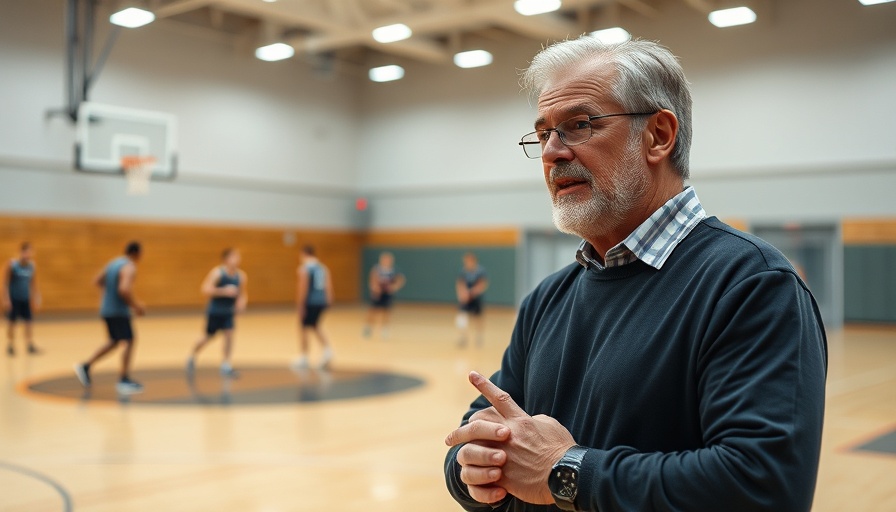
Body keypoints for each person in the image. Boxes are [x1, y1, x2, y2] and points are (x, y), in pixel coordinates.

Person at [444, 38, 827, 512]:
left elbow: (763, 486)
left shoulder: (752, 284)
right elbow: (489, 426)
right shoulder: (547, 298)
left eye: (579, 125)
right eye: (542, 134)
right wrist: (470, 467)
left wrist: (566, 471)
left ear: (659, 135)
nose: (552, 153)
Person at [75, 241, 146, 395]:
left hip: (107, 309)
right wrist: (136, 306)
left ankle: (86, 366)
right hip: (118, 311)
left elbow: (97, 281)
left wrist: (108, 296)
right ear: (136, 253)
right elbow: (124, 289)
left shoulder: (113, 263)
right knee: (129, 340)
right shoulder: (129, 266)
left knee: (114, 341)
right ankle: (123, 379)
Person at [186, 248, 247, 378]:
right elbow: (205, 289)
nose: (237, 259)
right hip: (215, 311)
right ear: (226, 259)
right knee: (207, 337)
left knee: (229, 335)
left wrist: (241, 303)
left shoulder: (241, 276)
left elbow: (242, 294)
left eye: (238, 257)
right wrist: (224, 291)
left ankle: (226, 364)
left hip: (228, 312)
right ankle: (192, 355)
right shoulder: (217, 273)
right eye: (234, 256)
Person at [292, 245, 334, 370]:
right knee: (315, 325)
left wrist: (300, 305)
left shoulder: (304, 269)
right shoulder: (322, 268)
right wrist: (328, 299)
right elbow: (328, 285)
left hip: (310, 302)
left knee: (303, 327)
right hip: (321, 301)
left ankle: (304, 357)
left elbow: (302, 287)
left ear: (304, 254)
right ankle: (327, 350)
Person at [4, 242, 41, 356]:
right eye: (26, 251)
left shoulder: (31, 266)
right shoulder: (12, 265)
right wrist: (6, 299)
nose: (28, 254)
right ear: (21, 252)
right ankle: (10, 345)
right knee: (12, 322)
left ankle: (29, 344)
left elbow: (33, 283)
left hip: (25, 298)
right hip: (14, 298)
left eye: (30, 252)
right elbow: (5, 283)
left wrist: (36, 296)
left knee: (28, 322)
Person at [362, 252, 405, 339]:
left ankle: (384, 330)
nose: (386, 261)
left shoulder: (394, 270)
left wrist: (394, 287)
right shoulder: (377, 269)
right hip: (378, 293)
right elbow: (372, 279)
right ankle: (368, 328)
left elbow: (400, 279)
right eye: (385, 259)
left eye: (388, 259)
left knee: (386, 312)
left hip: (387, 293)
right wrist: (375, 288)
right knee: (373, 311)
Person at [455, 252, 488, 347]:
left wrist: (472, 292)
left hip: (476, 298)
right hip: (466, 299)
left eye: (468, 261)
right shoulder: (464, 271)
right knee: (462, 316)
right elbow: (460, 283)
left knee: (478, 318)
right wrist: (462, 294)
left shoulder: (480, 271)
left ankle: (479, 337)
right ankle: (463, 337)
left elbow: (482, 284)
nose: (466, 263)